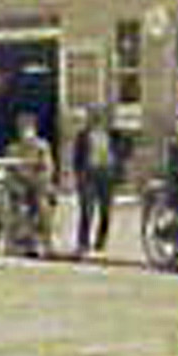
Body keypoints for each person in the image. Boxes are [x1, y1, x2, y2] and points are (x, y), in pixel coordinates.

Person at [70, 105, 120, 257]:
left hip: (106, 173)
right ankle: (83, 242)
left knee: (105, 211)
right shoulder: (83, 135)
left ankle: (100, 243)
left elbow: (123, 149)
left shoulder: (112, 134)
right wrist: (79, 175)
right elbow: (77, 157)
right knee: (87, 209)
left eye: (99, 116)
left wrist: (117, 166)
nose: (96, 119)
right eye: (93, 116)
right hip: (89, 173)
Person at [5, 111, 56, 253]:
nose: (26, 132)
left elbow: (49, 167)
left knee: (43, 206)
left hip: (38, 184)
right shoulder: (13, 149)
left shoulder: (42, 147)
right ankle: (18, 239)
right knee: (18, 206)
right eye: (23, 128)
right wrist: (14, 183)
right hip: (20, 186)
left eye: (28, 128)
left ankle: (47, 241)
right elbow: (8, 170)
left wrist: (43, 179)